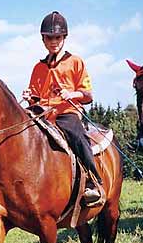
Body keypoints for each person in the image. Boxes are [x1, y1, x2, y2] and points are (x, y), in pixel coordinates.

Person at [22, 11, 102, 203]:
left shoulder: (75, 61)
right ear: (43, 39)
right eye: (49, 38)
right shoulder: (38, 67)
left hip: (67, 112)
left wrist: (72, 94)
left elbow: (88, 95)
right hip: (42, 113)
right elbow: (35, 98)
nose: (54, 41)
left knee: (76, 134)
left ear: (64, 38)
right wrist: (29, 97)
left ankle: (93, 181)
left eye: (57, 37)